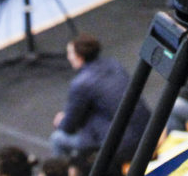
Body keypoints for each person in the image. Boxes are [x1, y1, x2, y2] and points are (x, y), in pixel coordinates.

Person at [51, 33, 150, 166]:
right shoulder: (114, 64)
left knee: (57, 139)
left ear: (79, 57)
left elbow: (69, 126)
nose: (68, 57)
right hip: (148, 130)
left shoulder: (81, 84)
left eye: (70, 53)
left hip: (124, 146)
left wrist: (60, 122)